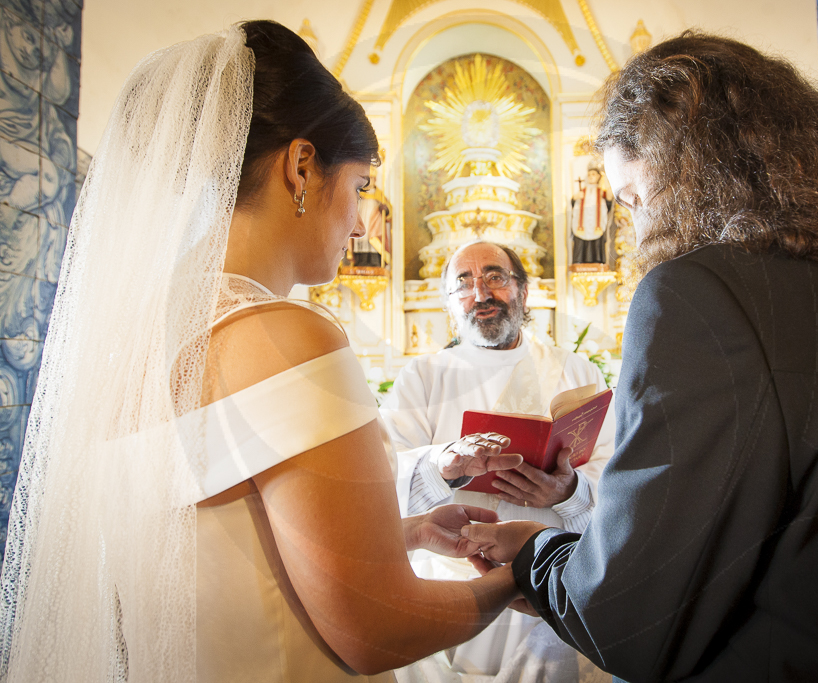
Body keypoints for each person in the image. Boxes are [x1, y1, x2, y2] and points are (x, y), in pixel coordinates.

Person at [0, 22, 519, 682]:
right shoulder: (287, 335)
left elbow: (213, 538)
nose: (361, 223)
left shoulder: (130, 343)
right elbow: (378, 629)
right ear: (301, 165)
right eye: (360, 187)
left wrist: (405, 532)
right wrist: (522, 572)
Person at [463, 31, 818, 683]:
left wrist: (534, 553)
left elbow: (629, 618)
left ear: (686, 163)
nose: (636, 233)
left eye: (634, 200)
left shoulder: (699, 295)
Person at [380, 241, 614, 681]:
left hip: (549, 582)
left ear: (522, 291)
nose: (481, 293)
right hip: (451, 583)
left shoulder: (577, 373)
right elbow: (382, 482)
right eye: (463, 284)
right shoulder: (422, 379)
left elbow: (616, 474)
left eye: (494, 277)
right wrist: (443, 464)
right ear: (450, 303)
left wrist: (570, 491)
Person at [570, 161, 612, 264]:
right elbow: (573, 205)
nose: (591, 177)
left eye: (593, 174)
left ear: (598, 176)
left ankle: (597, 262)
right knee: (580, 243)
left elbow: (609, 198)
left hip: (595, 225)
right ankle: (579, 262)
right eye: (589, 175)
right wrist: (575, 198)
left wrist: (605, 178)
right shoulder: (582, 191)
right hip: (582, 225)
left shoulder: (601, 191)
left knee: (596, 246)